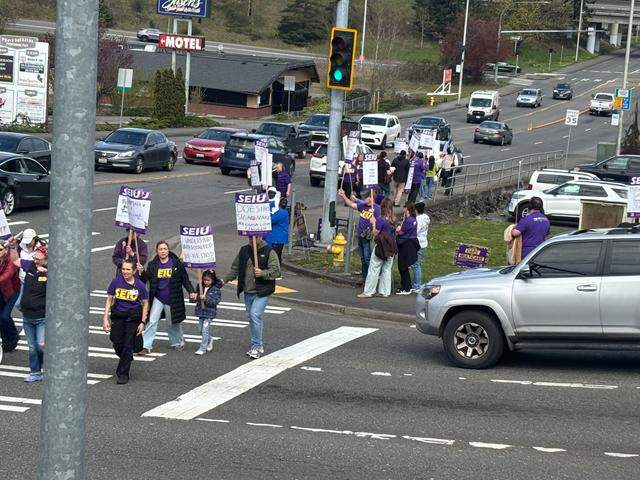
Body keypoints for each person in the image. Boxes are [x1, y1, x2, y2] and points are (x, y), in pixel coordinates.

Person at [224, 237, 281, 359]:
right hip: (248, 291)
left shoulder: (269, 251)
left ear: (261, 236)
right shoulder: (244, 250)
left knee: (255, 315)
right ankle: (257, 344)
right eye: (250, 237)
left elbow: (276, 271)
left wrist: (262, 273)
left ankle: (256, 346)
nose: (252, 239)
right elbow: (235, 268)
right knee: (252, 318)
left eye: (255, 236)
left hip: (262, 291)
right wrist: (224, 280)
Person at [139, 241, 197, 354]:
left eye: (165, 249)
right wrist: (142, 272)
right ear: (157, 251)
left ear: (168, 250)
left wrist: (191, 291)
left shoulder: (176, 263)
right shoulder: (152, 264)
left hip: (173, 298)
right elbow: (147, 279)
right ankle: (146, 346)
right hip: (157, 297)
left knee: (173, 322)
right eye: (160, 249)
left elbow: (185, 279)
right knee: (152, 321)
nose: (163, 251)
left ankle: (178, 342)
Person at [103, 260, 148, 384]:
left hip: (133, 319)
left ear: (134, 271)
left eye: (128, 269)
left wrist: (143, 322)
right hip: (118, 317)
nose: (125, 272)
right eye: (123, 269)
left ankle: (123, 374)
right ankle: (127, 357)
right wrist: (105, 318)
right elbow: (109, 300)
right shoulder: (116, 281)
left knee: (128, 346)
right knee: (116, 342)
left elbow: (145, 303)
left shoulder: (140, 285)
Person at [338, 189, 380, 280]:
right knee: (362, 256)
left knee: (367, 257)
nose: (364, 198)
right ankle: (364, 275)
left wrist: (374, 225)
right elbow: (351, 204)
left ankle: (371, 276)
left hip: (368, 236)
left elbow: (379, 223)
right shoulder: (363, 206)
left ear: (371, 198)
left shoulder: (376, 209)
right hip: (361, 235)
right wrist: (344, 196)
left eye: (366, 197)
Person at [19, 246, 48, 382]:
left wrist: (48, 273)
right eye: (34, 258)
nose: (35, 261)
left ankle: (49, 367)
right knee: (32, 347)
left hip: (42, 317)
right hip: (27, 316)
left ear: (46, 259)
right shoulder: (30, 266)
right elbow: (15, 260)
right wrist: (13, 247)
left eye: (38, 259)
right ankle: (35, 372)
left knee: (42, 344)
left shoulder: (51, 272)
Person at [358, 198, 396, 298]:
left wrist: (373, 223)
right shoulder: (393, 219)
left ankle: (369, 291)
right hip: (391, 247)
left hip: (381, 246)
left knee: (374, 268)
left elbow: (375, 233)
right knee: (387, 269)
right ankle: (385, 291)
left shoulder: (381, 219)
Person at [194, 269, 223, 356]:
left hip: (209, 314)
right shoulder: (200, 287)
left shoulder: (216, 290)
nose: (206, 282)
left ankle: (202, 348)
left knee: (205, 330)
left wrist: (205, 298)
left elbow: (215, 302)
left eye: (208, 280)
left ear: (213, 280)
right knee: (200, 330)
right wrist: (194, 297)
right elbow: (195, 299)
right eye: (204, 280)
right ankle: (210, 339)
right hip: (200, 312)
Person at [395, 202, 420, 295]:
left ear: (407, 209)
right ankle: (406, 286)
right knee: (404, 266)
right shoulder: (413, 219)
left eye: (404, 207)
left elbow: (401, 231)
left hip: (406, 244)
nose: (403, 208)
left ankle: (406, 288)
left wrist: (398, 228)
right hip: (410, 244)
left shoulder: (409, 220)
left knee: (402, 266)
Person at [0, 240, 20, 353]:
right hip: (1, 292)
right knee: (0, 318)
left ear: (5, 250)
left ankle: (13, 337)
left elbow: (7, 275)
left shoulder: (10, 261)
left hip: (12, 292)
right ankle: (5, 342)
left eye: (0, 250)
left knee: (5, 316)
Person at [410, 202, 430, 293]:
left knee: (415, 264)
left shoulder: (418, 219)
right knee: (418, 264)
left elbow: (415, 231)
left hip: (418, 243)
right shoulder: (426, 218)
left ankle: (417, 285)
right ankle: (417, 283)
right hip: (423, 242)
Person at [265, 197, 290, 267]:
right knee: (278, 255)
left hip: (277, 238)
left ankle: (276, 271)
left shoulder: (280, 213)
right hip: (281, 238)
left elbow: (270, 220)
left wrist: (269, 210)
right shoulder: (285, 212)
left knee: (274, 256)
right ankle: (278, 270)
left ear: (279, 204)